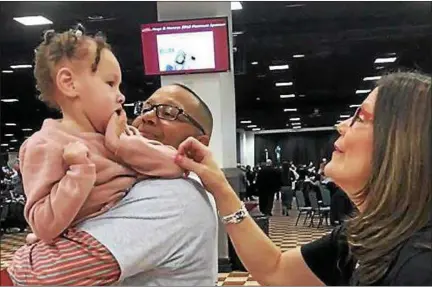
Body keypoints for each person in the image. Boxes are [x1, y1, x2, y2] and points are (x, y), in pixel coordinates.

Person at [174, 72, 432, 285]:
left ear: (401, 144)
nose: (341, 126)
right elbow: (275, 270)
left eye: (360, 118)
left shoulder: (418, 267)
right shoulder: (365, 236)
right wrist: (219, 185)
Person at [6, 27, 185, 285]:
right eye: (110, 83)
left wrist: (120, 144)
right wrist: (78, 173)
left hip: (131, 263)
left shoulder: (121, 135)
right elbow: (43, 224)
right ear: (69, 83)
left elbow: (177, 165)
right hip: (84, 267)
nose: (121, 95)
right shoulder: (45, 145)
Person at [77, 83, 218, 286]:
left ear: (199, 143)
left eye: (169, 112)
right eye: (146, 108)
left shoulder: (173, 194)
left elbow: (45, 274)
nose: (148, 117)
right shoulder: (128, 182)